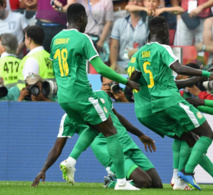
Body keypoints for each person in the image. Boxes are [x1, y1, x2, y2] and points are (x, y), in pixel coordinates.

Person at [49, 3, 140, 190]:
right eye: (86, 19)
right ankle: (122, 182)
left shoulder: (55, 39)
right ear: (82, 18)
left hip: (64, 99)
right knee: (111, 131)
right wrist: (127, 81)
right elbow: (99, 68)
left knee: (95, 125)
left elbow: (55, 71)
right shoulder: (83, 38)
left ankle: (71, 161)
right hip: (81, 95)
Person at [129, 16, 213, 191]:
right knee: (207, 134)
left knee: (190, 138)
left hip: (156, 106)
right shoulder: (163, 48)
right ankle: (186, 172)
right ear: (161, 30)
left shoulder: (139, 54)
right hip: (171, 100)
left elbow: (133, 80)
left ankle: (181, 178)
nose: (169, 34)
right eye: (167, 30)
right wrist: (207, 74)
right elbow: (179, 69)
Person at [32, 89, 163, 189]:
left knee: (157, 185)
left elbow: (118, 117)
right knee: (144, 181)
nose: (108, 87)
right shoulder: (69, 116)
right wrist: (43, 170)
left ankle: (119, 180)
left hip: (128, 143)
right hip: (108, 149)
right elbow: (57, 148)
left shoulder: (101, 96)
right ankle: (112, 182)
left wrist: (140, 134)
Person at [17, 26, 55, 91]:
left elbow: (30, 84)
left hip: (33, 99)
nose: (25, 41)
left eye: (25, 38)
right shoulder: (49, 56)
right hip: (51, 98)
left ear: (29, 40)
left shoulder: (31, 59)